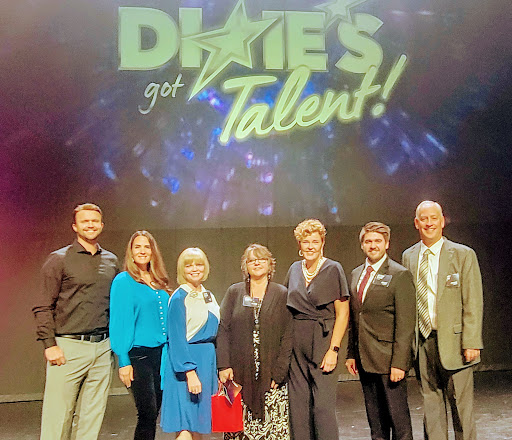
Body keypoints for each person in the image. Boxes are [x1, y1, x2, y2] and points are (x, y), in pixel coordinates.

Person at [32, 203, 119, 440]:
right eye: (85, 221)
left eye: (94, 221)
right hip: (68, 347)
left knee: (92, 417)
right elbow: (42, 305)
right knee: (58, 416)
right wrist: (50, 345)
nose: (90, 225)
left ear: (101, 225)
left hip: (103, 348)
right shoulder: (59, 259)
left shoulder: (111, 261)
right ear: (75, 226)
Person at [402, 201, 483, 440]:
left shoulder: (462, 254)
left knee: (461, 408)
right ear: (416, 223)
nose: (429, 223)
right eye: (424, 219)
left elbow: (473, 300)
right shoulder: (409, 256)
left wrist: (471, 341)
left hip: (455, 343)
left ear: (442, 221)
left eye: (433, 218)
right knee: (431, 408)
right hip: (423, 342)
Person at [345, 222, 416, 440]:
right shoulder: (356, 274)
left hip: (389, 361)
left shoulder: (399, 274)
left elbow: (406, 324)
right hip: (365, 359)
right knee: (376, 423)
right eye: (368, 241)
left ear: (387, 244)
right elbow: (355, 317)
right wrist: (351, 354)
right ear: (362, 245)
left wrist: (399, 363)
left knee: (398, 421)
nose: (373, 245)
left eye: (377, 241)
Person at [217, 244, 293, 440]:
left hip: (272, 376)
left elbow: (288, 335)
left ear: (270, 264)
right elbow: (223, 329)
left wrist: (280, 371)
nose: (257, 263)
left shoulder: (281, 293)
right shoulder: (234, 292)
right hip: (239, 376)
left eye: (261, 259)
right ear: (245, 265)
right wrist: (223, 365)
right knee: (238, 430)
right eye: (252, 260)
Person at [284, 219, 350, 440]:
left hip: (323, 340)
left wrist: (334, 349)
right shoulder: (294, 269)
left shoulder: (333, 268)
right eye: (306, 242)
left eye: (315, 241)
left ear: (322, 243)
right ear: (299, 245)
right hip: (297, 342)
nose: (310, 246)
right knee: (298, 406)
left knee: (322, 408)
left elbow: (343, 313)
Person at [110, 231, 172, 439]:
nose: (142, 251)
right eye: (138, 247)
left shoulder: (159, 280)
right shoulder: (123, 281)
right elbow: (119, 322)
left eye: (147, 247)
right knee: (147, 412)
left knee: (154, 413)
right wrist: (123, 360)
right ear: (131, 251)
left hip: (161, 355)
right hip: (138, 355)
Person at [161, 247, 220, 440]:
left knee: (197, 426)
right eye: (189, 265)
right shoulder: (179, 297)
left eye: (199, 264)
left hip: (206, 363)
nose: (195, 269)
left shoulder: (207, 294)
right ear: (182, 269)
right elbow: (176, 339)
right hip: (187, 366)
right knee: (185, 426)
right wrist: (190, 372)